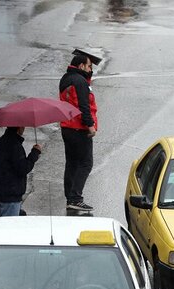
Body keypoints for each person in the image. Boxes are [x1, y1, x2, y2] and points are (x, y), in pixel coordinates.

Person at [59, 48, 102, 212]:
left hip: (67, 127)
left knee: (71, 163)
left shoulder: (66, 79)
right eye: (89, 66)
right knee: (85, 163)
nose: (91, 69)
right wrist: (90, 125)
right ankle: (76, 198)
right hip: (79, 128)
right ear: (82, 65)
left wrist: (87, 77)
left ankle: (70, 197)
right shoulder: (80, 82)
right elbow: (84, 105)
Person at [0, 126, 41, 217]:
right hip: (11, 196)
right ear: (19, 128)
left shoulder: (0, 142)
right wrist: (35, 153)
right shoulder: (15, 146)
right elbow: (23, 168)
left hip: (0, 193)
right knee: (9, 227)